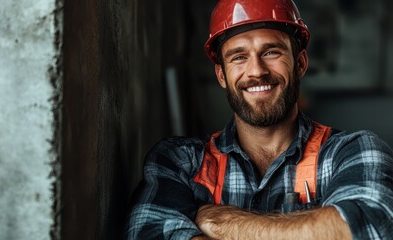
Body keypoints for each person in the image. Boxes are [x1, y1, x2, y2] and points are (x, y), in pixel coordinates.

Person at [125, 0, 393, 239]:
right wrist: (314, 228)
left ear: (299, 63)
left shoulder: (353, 152)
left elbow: (367, 227)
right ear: (222, 76)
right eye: (239, 57)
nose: (256, 71)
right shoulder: (180, 163)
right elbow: (148, 231)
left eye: (271, 52)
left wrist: (221, 223)